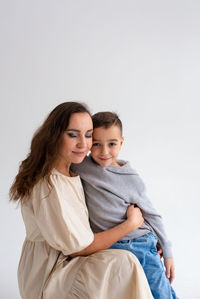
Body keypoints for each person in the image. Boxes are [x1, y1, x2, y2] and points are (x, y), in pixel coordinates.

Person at [10, 102, 154, 299]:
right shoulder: (48, 184)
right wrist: (130, 224)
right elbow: (79, 249)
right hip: (51, 272)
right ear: (55, 135)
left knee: (135, 258)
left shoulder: (74, 171)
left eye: (88, 135)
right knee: (123, 263)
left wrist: (146, 236)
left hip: (72, 260)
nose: (83, 144)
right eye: (72, 134)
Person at [71, 111, 179, 299]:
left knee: (159, 291)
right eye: (96, 144)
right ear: (89, 143)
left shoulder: (131, 179)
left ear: (121, 143)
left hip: (139, 243)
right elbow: (58, 153)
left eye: (111, 144)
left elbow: (153, 215)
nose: (104, 152)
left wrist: (167, 251)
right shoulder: (83, 166)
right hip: (110, 245)